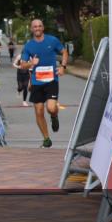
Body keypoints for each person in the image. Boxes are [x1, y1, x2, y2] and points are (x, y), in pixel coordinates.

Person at [16, 18, 67, 148]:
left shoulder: (52, 40)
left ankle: (54, 116)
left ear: (43, 28)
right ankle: (46, 139)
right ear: (31, 29)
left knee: (50, 108)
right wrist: (31, 63)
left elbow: (64, 52)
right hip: (37, 82)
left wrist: (62, 66)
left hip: (51, 80)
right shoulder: (28, 46)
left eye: (39, 26)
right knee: (39, 111)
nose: (37, 28)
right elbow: (22, 65)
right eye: (35, 27)